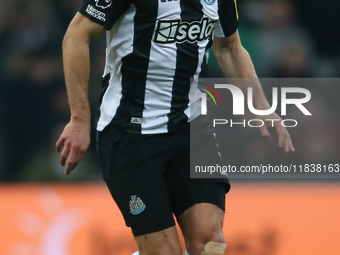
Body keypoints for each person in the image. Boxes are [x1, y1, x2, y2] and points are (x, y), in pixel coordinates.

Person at [56, 0, 295, 254]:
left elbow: (230, 48)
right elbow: (76, 34)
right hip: (130, 134)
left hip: (191, 128)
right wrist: (80, 120)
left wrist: (261, 104)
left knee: (210, 244)